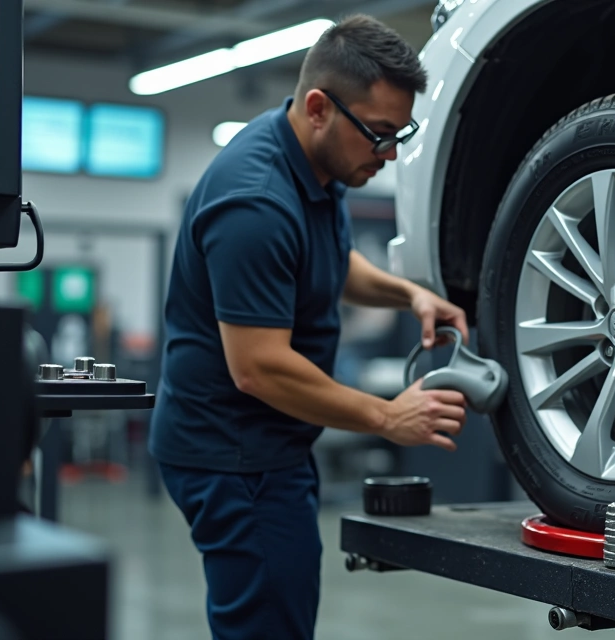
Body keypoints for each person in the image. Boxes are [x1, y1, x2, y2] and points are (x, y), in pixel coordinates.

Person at [148, 14, 469, 640]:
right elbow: (257, 366)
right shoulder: (256, 202)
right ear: (319, 107)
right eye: (379, 134)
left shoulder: (315, 165)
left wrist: (410, 295)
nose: (391, 153)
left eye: (399, 132)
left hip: (270, 443)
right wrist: (386, 417)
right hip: (234, 454)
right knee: (269, 623)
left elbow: (332, 263)